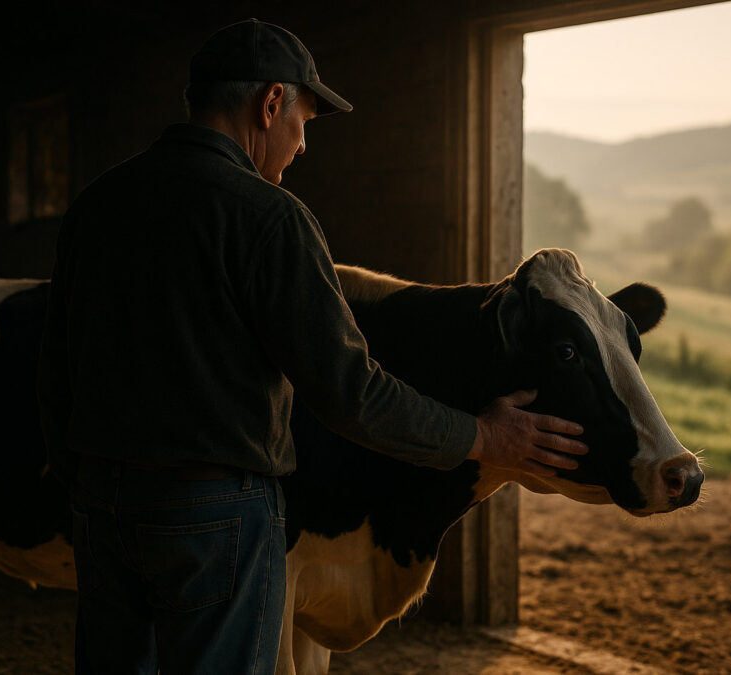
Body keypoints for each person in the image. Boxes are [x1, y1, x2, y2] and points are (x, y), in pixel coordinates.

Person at [36, 18, 587, 675]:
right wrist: (480, 437)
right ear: (271, 103)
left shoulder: (98, 205)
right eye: (303, 119)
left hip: (102, 502)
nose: (301, 145)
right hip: (215, 514)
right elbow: (351, 392)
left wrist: (84, 480)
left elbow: (55, 366)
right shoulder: (270, 218)